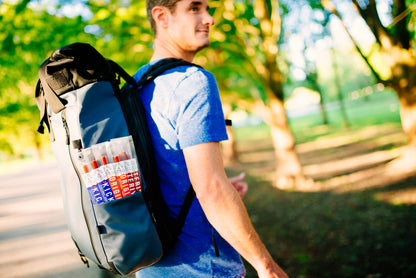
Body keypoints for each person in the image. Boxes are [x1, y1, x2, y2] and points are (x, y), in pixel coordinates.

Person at [134, 0, 289, 277]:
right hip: (204, 267)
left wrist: (212, 185)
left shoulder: (137, 84)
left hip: (152, 268)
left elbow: (161, 167)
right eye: (194, 8)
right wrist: (266, 267)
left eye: (207, 8)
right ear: (162, 16)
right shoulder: (193, 81)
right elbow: (211, 189)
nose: (209, 19)